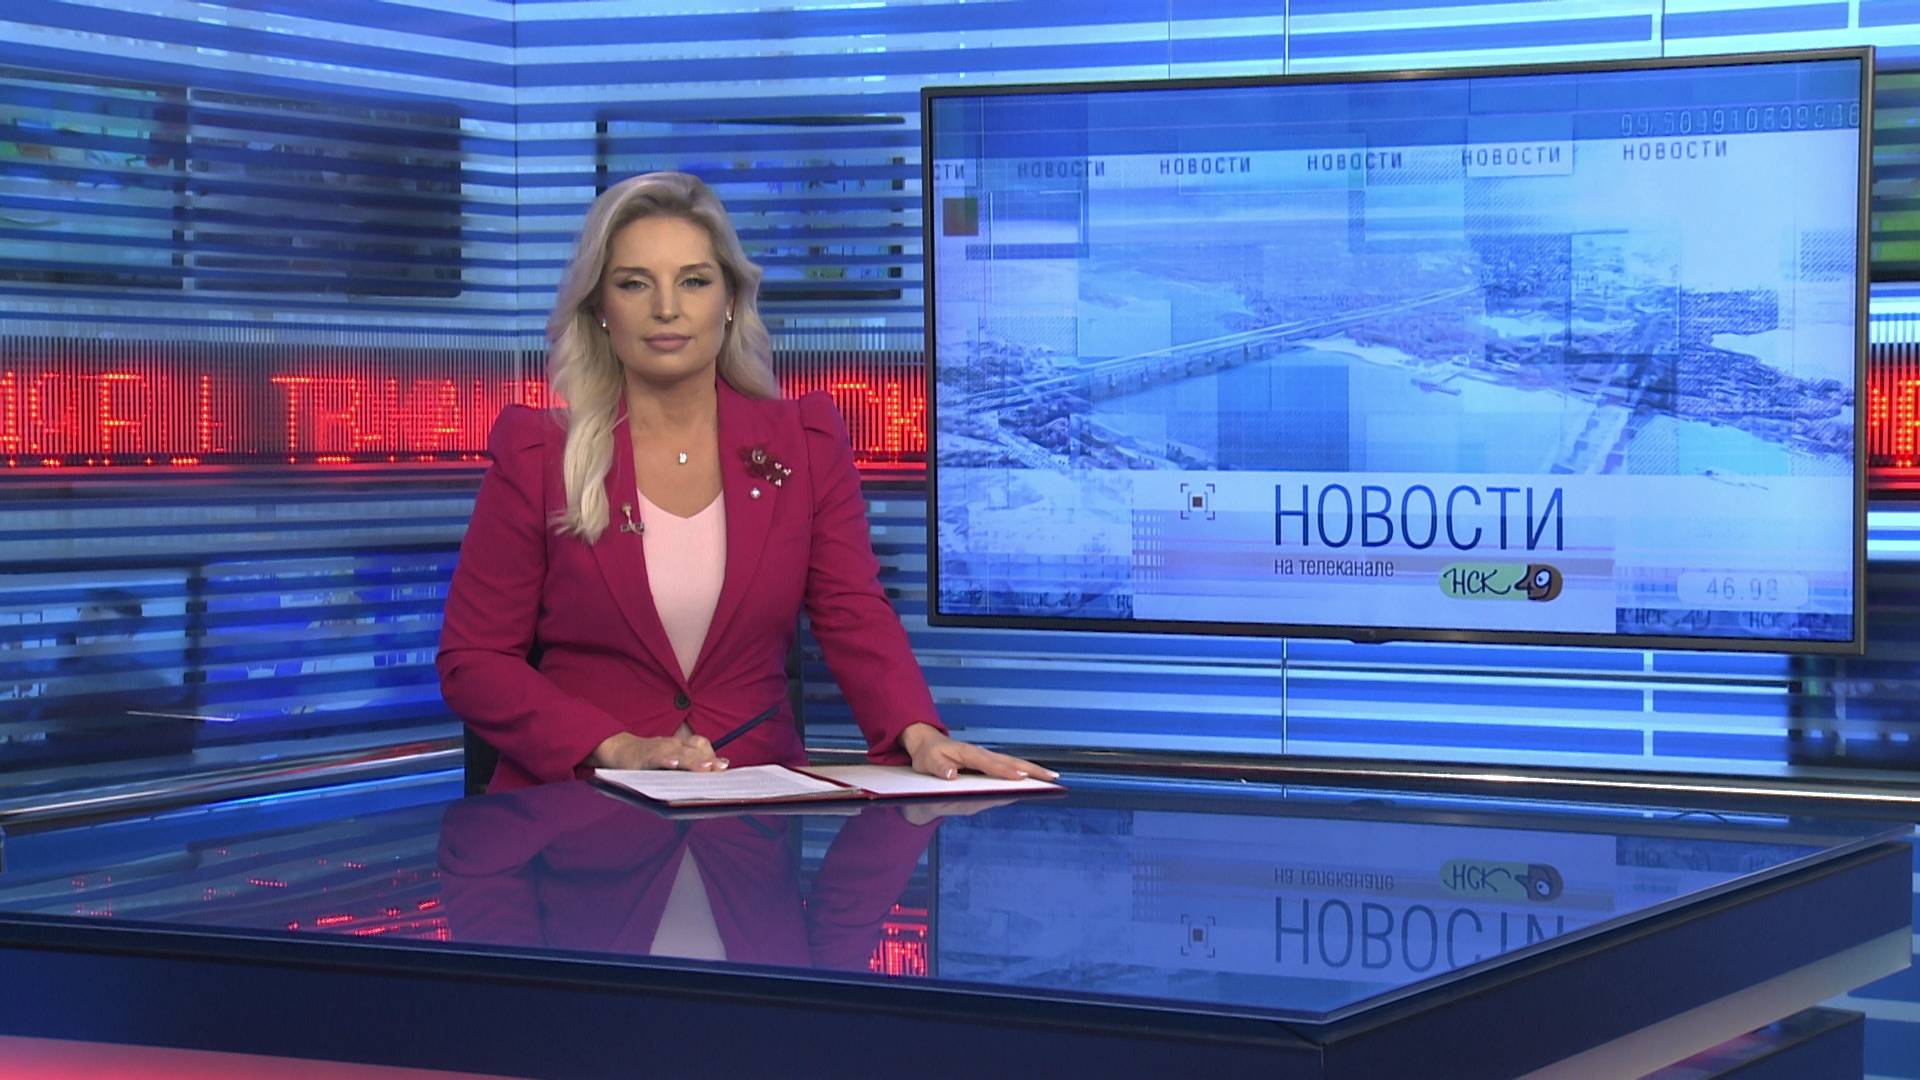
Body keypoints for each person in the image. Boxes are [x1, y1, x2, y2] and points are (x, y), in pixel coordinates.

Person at [437, 171, 1053, 792]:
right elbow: (474, 659)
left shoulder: (804, 444)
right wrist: (616, 748)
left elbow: (852, 612)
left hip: (754, 807)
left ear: (730, 299)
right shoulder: (540, 453)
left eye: (694, 281)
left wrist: (921, 734)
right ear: (600, 308)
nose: (666, 308)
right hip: (576, 812)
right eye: (634, 284)